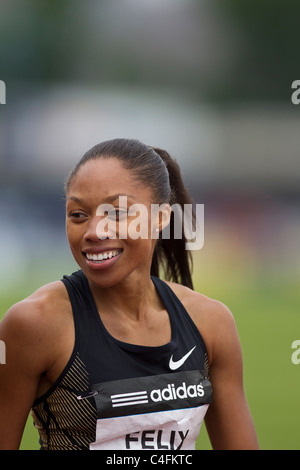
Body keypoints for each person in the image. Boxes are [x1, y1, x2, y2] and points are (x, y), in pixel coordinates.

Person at [0, 138, 259, 450]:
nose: (95, 231)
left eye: (117, 212)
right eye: (78, 214)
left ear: (162, 218)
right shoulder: (33, 324)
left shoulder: (211, 323)